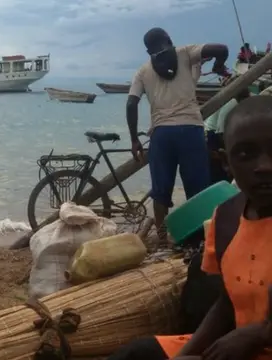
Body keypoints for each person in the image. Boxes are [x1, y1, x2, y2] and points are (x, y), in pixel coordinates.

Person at [109, 95, 272, 360]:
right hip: (238, 345)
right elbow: (227, 303)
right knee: (135, 354)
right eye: (246, 154)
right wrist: (187, 354)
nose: (264, 166)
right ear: (225, 163)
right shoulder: (227, 218)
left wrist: (261, 334)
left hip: (252, 344)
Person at [126, 27, 229, 242]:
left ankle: (162, 235)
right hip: (191, 130)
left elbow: (131, 103)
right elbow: (221, 49)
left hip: (162, 135)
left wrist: (134, 138)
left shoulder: (143, 71)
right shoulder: (185, 53)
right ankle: (200, 236)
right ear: (169, 39)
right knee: (198, 188)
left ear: (148, 51)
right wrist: (219, 65)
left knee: (160, 190)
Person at [205, 76, 250, 184]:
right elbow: (221, 131)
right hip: (214, 137)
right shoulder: (231, 103)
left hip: (218, 135)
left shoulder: (235, 101)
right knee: (220, 175)